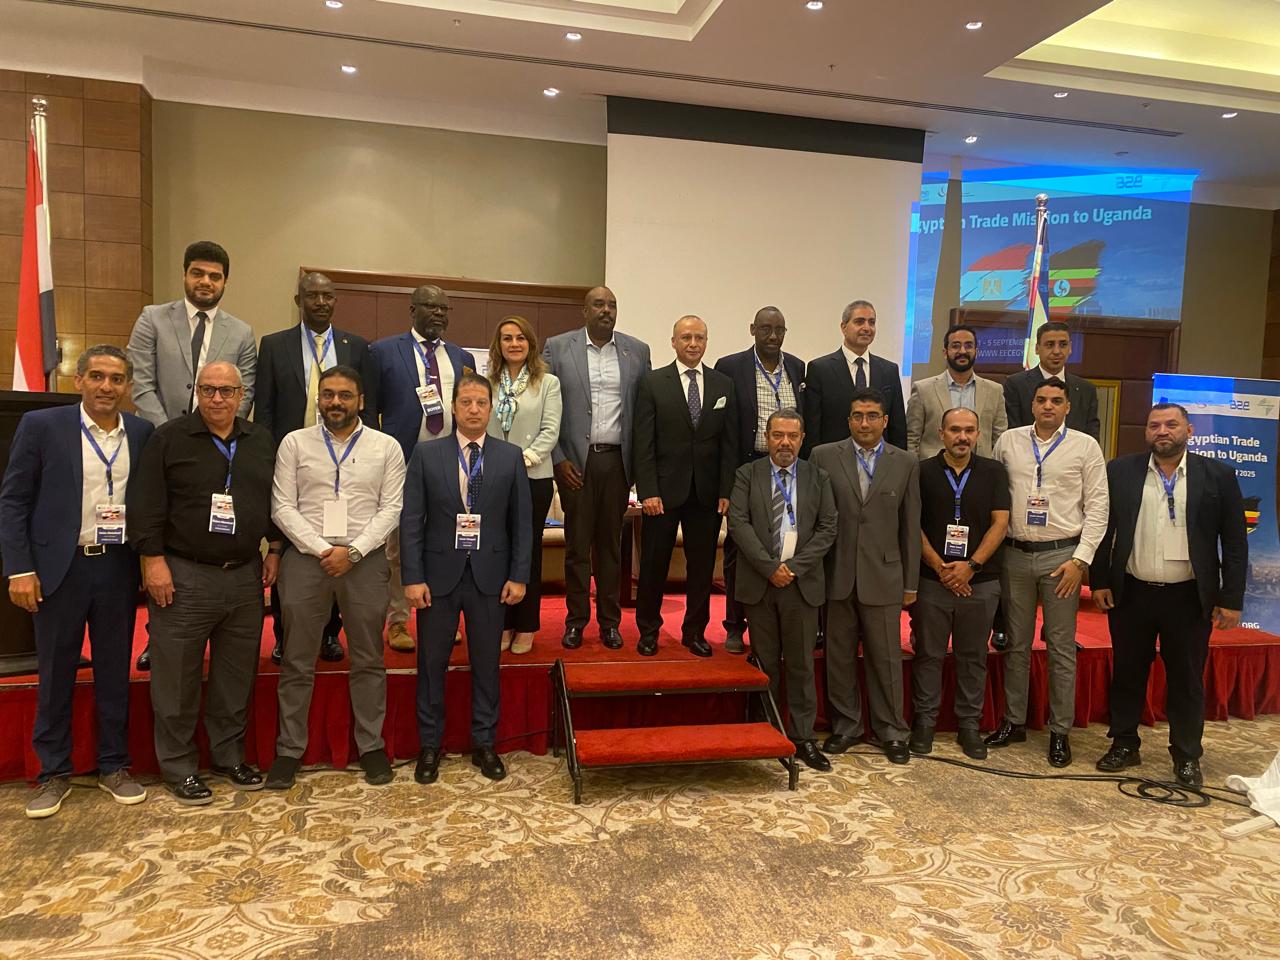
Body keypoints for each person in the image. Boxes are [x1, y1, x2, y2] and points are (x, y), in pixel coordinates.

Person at [0, 346, 154, 818]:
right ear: (79, 381)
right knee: (55, 672)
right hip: (58, 569)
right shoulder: (42, 426)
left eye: (116, 379)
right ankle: (53, 772)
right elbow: (13, 500)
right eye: (97, 376)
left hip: (116, 567)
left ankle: (114, 765)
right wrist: (19, 568)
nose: (107, 386)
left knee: (113, 671)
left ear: (128, 386)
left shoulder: (142, 433)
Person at [128, 361, 281, 805]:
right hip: (184, 573)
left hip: (245, 575)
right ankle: (179, 766)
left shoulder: (260, 441)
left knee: (235, 676)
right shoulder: (169, 438)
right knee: (176, 678)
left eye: (226, 391)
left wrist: (275, 549)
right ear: (196, 392)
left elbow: (274, 501)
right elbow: (146, 504)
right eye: (209, 389)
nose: (217, 398)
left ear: (241, 395)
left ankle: (228, 757)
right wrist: (153, 561)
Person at [1091, 403, 1247, 788]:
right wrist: (1099, 580)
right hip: (1132, 592)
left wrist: (1231, 599)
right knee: (1127, 672)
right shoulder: (1120, 471)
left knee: (1186, 678)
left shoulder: (1218, 475)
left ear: (1189, 431)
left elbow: (1234, 542)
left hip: (1188, 597)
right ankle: (1124, 744)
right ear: (1146, 432)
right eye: (1154, 425)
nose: (1162, 431)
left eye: (1171, 424)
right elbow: (1102, 527)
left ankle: (1186, 755)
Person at [267, 365, 406, 790]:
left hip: (364, 561)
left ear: (360, 400)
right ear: (318, 399)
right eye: (328, 394)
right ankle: (289, 750)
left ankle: (371, 746)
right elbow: (282, 506)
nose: (335, 402)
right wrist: (320, 549)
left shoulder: (386, 447)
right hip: (307, 560)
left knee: (368, 657)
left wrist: (355, 551)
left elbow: (391, 508)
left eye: (345, 395)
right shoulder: (294, 442)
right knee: (297, 659)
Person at [126, 240, 258, 672]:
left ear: (225, 282)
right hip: (159, 440)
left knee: (198, 527)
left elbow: (245, 391)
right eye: (198, 273)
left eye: (215, 276)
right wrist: (173, 434)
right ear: (185, 275)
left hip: (217, 447)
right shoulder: (152, 318)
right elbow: (141, 381)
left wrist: (212, 428)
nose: (206, 281)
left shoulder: (241, 332)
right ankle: (157, 634)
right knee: (161, 524)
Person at [401, 372, 531, 785]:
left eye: (481, 403)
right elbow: (411, 520)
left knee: (487, 665)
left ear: (491, 409)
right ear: (453, 408)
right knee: (431, 665)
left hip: (490, 578)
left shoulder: (510, 456)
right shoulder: (427, 454)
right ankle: (429, 745)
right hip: (437, 578)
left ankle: (485, 743)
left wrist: (519, 576)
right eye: (466, 402)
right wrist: (412, 577)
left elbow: (521, 523)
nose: (474, 409)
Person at [256, 271, 378, 665]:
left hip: (345, 464)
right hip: (296, 462)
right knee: (292, 552)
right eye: (313, 296)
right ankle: (285, 634)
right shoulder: (274, 345)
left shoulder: (356, 346)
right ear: (299, 301)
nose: (321, 302)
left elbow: (368, 408)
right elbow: (265, 409)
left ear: (335, 301)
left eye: (328, 296)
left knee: (340, 547)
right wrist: (270, 458)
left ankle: (329, 634)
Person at [987, 378, 1108, 768]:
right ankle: (1013, 721)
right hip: (1015, 555)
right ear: (1032, 404)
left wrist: (1080, 561)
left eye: (1056, 400)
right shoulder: (1009, 441)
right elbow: (995, 494)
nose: (1048, 406)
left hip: (1062, 559)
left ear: (1068, 407)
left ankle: (1059, 731)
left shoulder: (1085, 446)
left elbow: (1099, 507)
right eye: (1041, 400)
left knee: (1060, 647)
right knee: (1016, 644)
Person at [810, 387, 921, 763]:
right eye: (857, 415)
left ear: (885, 421)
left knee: (886, 658)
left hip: (884, 575)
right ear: (848, 420)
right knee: (839, 657)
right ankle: (847, 726)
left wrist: (910, 583)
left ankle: (892, 730)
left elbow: (910, 526)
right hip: (837, 574)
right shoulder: (824, 456)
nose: (864, 423)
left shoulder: (905, 462)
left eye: (872, 416)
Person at [727, 408, 837, 771]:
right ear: (767, 438)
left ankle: (803, 738)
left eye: (792, 436)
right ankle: (767, 733)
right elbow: (738, 523)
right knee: (766, 664)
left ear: (802, 439)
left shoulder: (818, 476)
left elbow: (828, 528)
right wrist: (770, 567)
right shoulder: (747, 474)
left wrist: (793, 568)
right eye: (778, 435)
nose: (785, 443)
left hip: (801, 585)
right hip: (760, 583)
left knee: (802, 664)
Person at [370, 284, 477, 654]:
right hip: (401, 462)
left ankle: (443, 616)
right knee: (399, 545)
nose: (438, 313)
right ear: (412, 309)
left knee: (446, 542)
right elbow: (370, 411)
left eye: (444, 308)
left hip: (449, 464)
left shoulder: (462, 357)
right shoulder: (384, 351)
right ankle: (398, 620)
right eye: (431, 306)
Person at [543, 286, 651, 651]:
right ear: (585, 310)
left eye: (612, 305)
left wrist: (638, 468)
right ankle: (575, 622)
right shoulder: (558, 348)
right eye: (599, 304)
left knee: (610, 547)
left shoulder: (637, 351)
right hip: (575, 463)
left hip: (617, 462)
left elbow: (644, 412)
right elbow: (545, 407)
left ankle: (610, 623)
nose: (607, 310)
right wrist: (558, 458)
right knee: (577, 547)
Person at [633, 316, 737, 657]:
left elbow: (729, 443)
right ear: (673, 342)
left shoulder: (723, 384)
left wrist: (726, 490)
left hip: (706, 494)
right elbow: (643, 442)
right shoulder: (652, 383)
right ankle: (648, 631)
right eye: (686, 337)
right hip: (662, 493)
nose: (693, 343)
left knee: (702, 569)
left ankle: (694, 632)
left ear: (706, 342)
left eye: (699, 338)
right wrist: (648, 490)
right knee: (653, 565)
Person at [910, 408, 1010, 761]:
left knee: (973, 656)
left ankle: (969, 725)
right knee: (928, 655)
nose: (962, 437)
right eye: (955, 430)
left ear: (978, 434)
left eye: (969, 430)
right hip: (932, 581)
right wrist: (941, 568)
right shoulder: (921, 472)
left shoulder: (994, 472)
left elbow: (1001, 523)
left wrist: (970, 566)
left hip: (980, 582)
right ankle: (924, 723)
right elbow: (912, 524)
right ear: (941, 433)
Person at [713, 306, 806, 654]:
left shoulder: (797, 367)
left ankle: (778, 622)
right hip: (748, 467)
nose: (773, 336)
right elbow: (723, 433)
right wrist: (725, 485)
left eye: (779, 329)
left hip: (789, 468)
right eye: (766, 328)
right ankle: (735, 625)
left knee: (785, 543)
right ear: (752, 329)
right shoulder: (730, 366)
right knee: (740, 548)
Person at [486, 315, 562, 655]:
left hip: (533, 477)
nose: (514, 344)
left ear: (530, 343)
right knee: (496, 551)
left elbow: (550, 430)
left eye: (520, 338)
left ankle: (527, 624)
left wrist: (522, 460)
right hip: (492, 478)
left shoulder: (547, 383)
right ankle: (503, 623)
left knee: (527, 552)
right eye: (507, 338)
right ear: (498, 345)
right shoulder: (487, 383)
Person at [803, 300, 907, 453]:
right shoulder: (820, 369)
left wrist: (898, 462)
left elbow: (897, 426)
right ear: (843, 327)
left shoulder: (889, 370)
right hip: (833, 460)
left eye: (871, 322)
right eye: (859, 322)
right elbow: (812, 427)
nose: (867, 328)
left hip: (880, 460)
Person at [906, 325, 1007, 458]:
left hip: (980, 468)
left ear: (976, 352)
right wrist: (915, 469)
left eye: (968, 346)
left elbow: (1000, 439)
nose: (962, 351)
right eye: (956, 346)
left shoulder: (994, 391)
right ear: (945, 352)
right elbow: (912, 438)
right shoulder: (923, 389)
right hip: (933, 468)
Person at [1003, 321, 1100, 439]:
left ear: (1070, 348)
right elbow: (1013, 434)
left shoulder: (1086, 389)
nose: (1057, 351)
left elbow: (1092, 437)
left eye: (1063, 345)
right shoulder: (1016, 384)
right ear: (1037, 349)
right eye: (1050, 345)